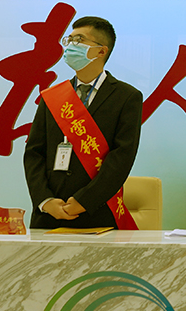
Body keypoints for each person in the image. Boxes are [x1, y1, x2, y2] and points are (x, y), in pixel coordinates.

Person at [24, 16, 143, 229]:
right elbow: (34, 153)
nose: (71, 46)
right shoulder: (52, 96)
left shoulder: (127, 97)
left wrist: (84, 201)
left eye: (79, 40)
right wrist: (45, 200)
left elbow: (122, 157)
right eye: (69, 40)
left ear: (101, 51)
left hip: (97, 213)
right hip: (49, 215)